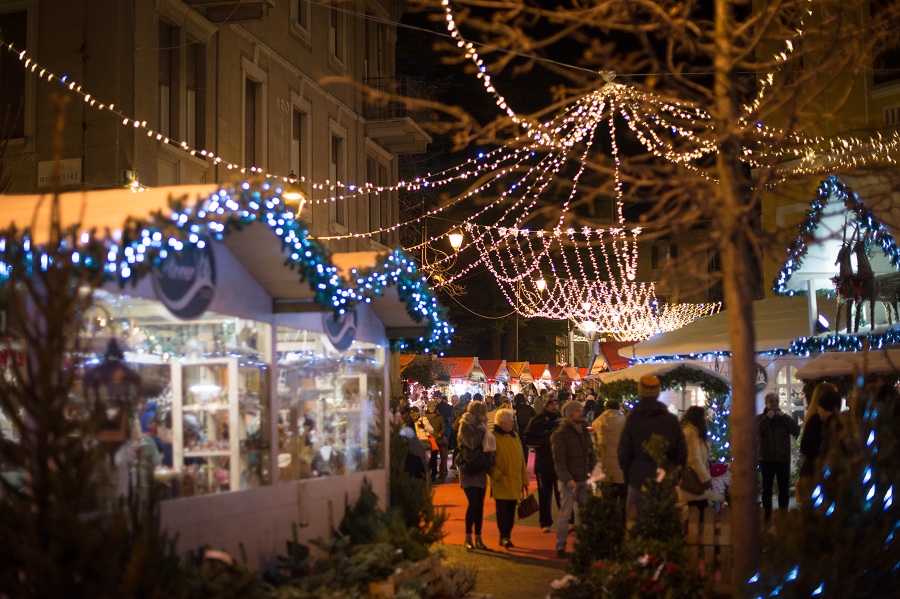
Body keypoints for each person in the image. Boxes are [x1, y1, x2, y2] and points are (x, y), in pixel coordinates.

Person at [618, 375, 687, 513]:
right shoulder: (671, 420)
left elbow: (623, 452)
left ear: (640, 392)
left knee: (636, 525)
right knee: (665, 526)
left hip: (638, 480)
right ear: (657, 392)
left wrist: (629, 474)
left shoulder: (633, 419)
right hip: (665, 480)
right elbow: (682, 453)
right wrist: (675, 475)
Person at [551, 400, 596, 559]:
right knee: (565, 514)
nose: (581, 413)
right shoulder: (560, 434)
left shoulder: (584, 431)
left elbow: (591, 454)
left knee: (584, 514)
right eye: (578, 411)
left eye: (581, 410)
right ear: (569, 414)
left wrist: (593, 471)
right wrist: (567, 479)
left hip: (583, 478)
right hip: (568, 481)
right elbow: (559, 460)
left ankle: (584, 545)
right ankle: (561, 545)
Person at [489, 408, 529, 549]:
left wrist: (525, 478)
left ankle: (507, 535)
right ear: (502, 422)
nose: (513, 423)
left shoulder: (514, 436)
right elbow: (489, 460)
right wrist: (497, 474)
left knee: (511, 512)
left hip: (514, 481)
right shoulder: (493, 436)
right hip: (501, 482)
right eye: (510, 420)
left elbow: (521, 460)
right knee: (502, 511)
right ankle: (504, 536)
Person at [522, 393, 563, 533]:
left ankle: (568, 521)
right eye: (552, 404)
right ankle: (545, 522)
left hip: (559, 464)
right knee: (545, 495)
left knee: (562, 494)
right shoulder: (537, 421)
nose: (555, 406)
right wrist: (543, 440)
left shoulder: (561, 420)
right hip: (543, 463)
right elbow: (527, 439)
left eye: (556, 404)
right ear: (546, 405)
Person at [457, 402, 495, 551]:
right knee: (473, 503)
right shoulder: (465, 425)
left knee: (480, 505)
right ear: (475, 414)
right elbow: (472, 443)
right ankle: (468, 537)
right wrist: (482, 430)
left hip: (480, 468)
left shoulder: (482, 426)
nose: (485, 417)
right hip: (468, 469)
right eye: (482, 414)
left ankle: (479, 537)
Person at [758, 392, 801, 522]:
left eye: (776, 401)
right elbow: (756, 432)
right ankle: (767, 517)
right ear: (766, 403)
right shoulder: (760, 418)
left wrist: (783, 416)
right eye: (771, 401)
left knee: (784, 490)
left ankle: (782, 515)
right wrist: (767, 419)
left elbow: (796, 430)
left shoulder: (784, 419)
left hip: (783, 459)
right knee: (767, 491)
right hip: (767, 459)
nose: (774, 404)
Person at [797, 382, 837, 504]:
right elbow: (806, 447)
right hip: (816, 473)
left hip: (815, 472)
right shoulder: (818, 419)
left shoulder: (817, 418)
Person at [677, 406, 713, 512]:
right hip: (695, 479)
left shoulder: (693, 431)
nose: (705, 418)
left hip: (696, 478)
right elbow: (694, 459)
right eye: (703, 416)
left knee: (698, 510)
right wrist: (706, 479)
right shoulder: (692, 433)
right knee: (699, 511)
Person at [592, 399, 627, 505]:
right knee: (624, 502)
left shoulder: (598, 422)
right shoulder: (625, 421)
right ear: (618, 407)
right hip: (621, 468)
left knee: (608, 502)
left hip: (605, 469)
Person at [424, 401, 448, 483]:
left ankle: (434, 473)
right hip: (427, 440)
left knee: (435, 457)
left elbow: (444, 428)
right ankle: (430, 473)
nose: (431, 408)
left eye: (433, 406)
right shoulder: (424, 417)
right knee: (429, 459)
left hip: (437, 440)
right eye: (430, 406)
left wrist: (440, 435)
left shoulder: (440, 417)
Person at [435, 393, 454, 479]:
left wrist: (446, 435)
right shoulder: (445, 407)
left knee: (443, 454)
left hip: (443, 435)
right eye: (434, 398)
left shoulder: (441, 408)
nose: (435, 400)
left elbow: (448, 424)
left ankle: (442, 471)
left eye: (437, 398)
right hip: (439, 435)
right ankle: (443, 471)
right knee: (443, 454)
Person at [513, 393, 535, 460]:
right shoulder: (529, 408)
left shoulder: (513, 408)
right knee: (525, 450)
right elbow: (535, 419)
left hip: (515, 431)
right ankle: (524, 465)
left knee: (516, 449)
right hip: (526, 430)